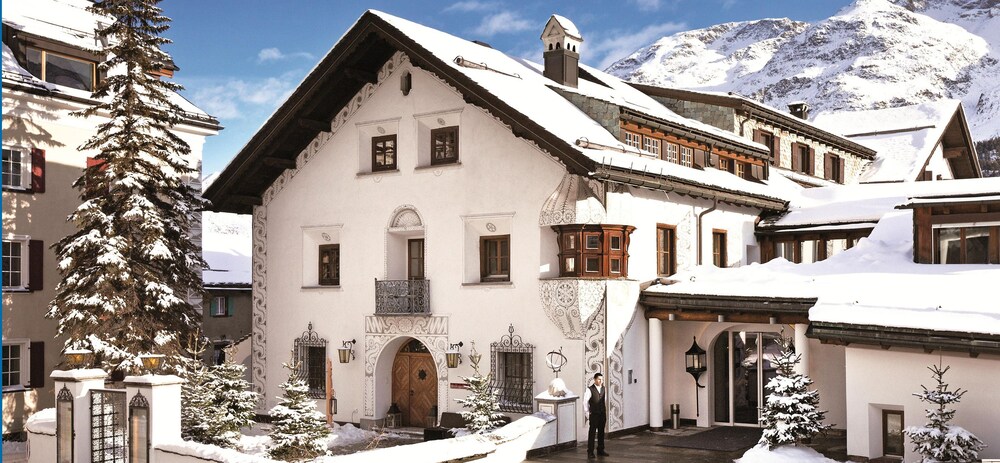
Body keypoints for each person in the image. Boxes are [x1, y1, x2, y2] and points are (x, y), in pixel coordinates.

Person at [583, 372, 609, 458]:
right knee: (592, 433)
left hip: (602, 414)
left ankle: (600, 449)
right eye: (599, 379)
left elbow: (604, 400)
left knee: (601, 431)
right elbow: (585, 402)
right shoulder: (589, 389)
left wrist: (603, 410)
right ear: (594, 379)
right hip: (594, 414)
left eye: (602, 379)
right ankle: (590, 451)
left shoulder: (604, 389)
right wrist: (588, 413)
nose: (601, 381)